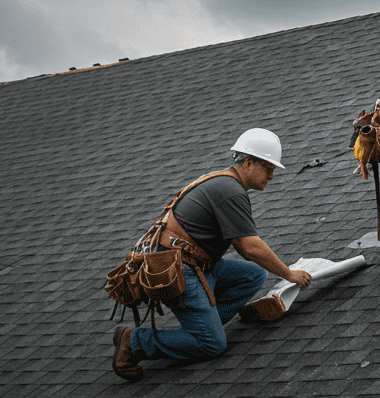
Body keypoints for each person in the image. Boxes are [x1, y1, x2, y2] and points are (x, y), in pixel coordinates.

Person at [113, 128, 312, 382]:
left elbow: (244, 249)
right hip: (178, 270)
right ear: (249, 163)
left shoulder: (224, 183)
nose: (272, 175)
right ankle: (135, 341)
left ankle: (206, 326)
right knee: (212, 345)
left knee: (252, 275)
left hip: (194, 264)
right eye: (268, 167)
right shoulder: (230, 190)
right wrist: (289, 274)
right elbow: (249, 247)